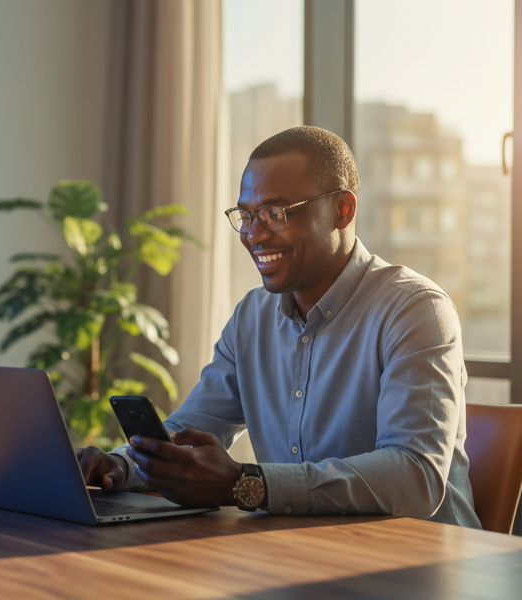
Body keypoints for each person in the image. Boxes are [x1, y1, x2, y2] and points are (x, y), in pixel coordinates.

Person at [76, 125, 481, 528]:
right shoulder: (252, 316)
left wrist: (247, 484)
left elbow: (416, 478)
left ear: (343, 210)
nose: (254, 234)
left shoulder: (416, 310)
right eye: (246, 215)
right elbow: (191, 428)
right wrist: (118, 465)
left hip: (423, 570)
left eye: (275, 213)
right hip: (302, 556)